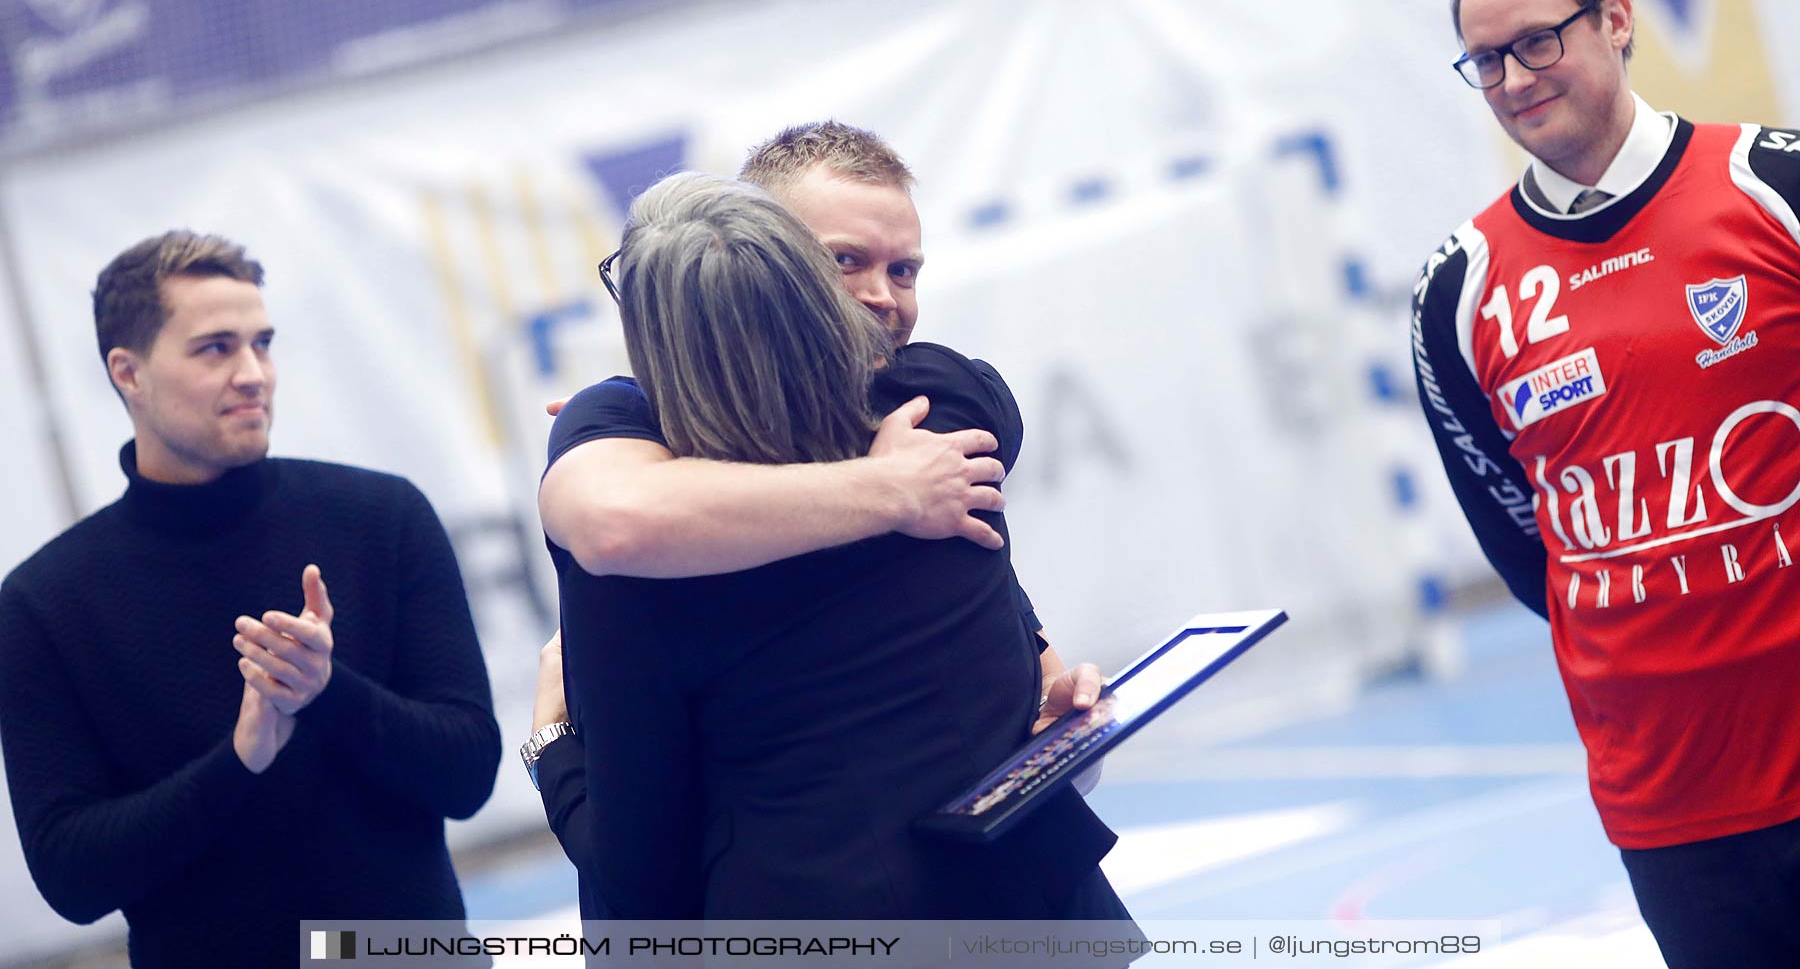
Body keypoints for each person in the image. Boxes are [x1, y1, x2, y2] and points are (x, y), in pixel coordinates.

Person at [526, 123, 1110, 877]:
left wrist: (550, 749)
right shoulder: (936, 433)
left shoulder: (938, 415)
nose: (882, 297)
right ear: (759, 262)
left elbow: (638, 857)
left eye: (904, 271)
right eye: (843, 262)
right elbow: (618, 520)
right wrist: (888, 489)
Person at [1410, 0, 1800, 968]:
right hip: (1670, 806)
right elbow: (1526, 547)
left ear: (1617, 18)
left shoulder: (1775, 185)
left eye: (1538, 40)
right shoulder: (1459, 289)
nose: (1517, 78)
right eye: (1486, 61)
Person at [0, 232, 502, 968]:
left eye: (262, 343)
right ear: (128, 373)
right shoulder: (45, 604)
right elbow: (72, 876)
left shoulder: (380, 518)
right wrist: (238, 762)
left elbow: (467, 775)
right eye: (215, 348)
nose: (253, 373)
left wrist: (327, 692)